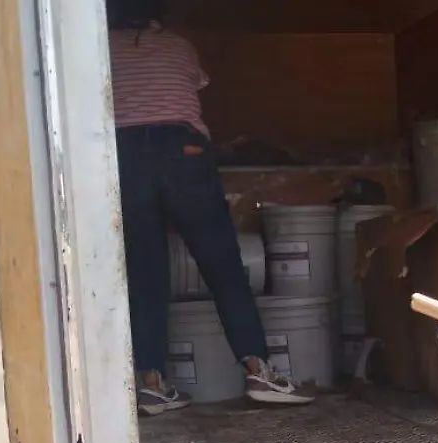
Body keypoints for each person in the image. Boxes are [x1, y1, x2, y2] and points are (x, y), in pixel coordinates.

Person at [106, 0, 314, 415]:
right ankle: (259, 372)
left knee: (145, 274)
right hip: (183, 150)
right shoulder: (179, 46)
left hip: (125, 157)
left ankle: (151, 384)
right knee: (222, 266)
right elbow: (192, 86)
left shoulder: (102, 50)